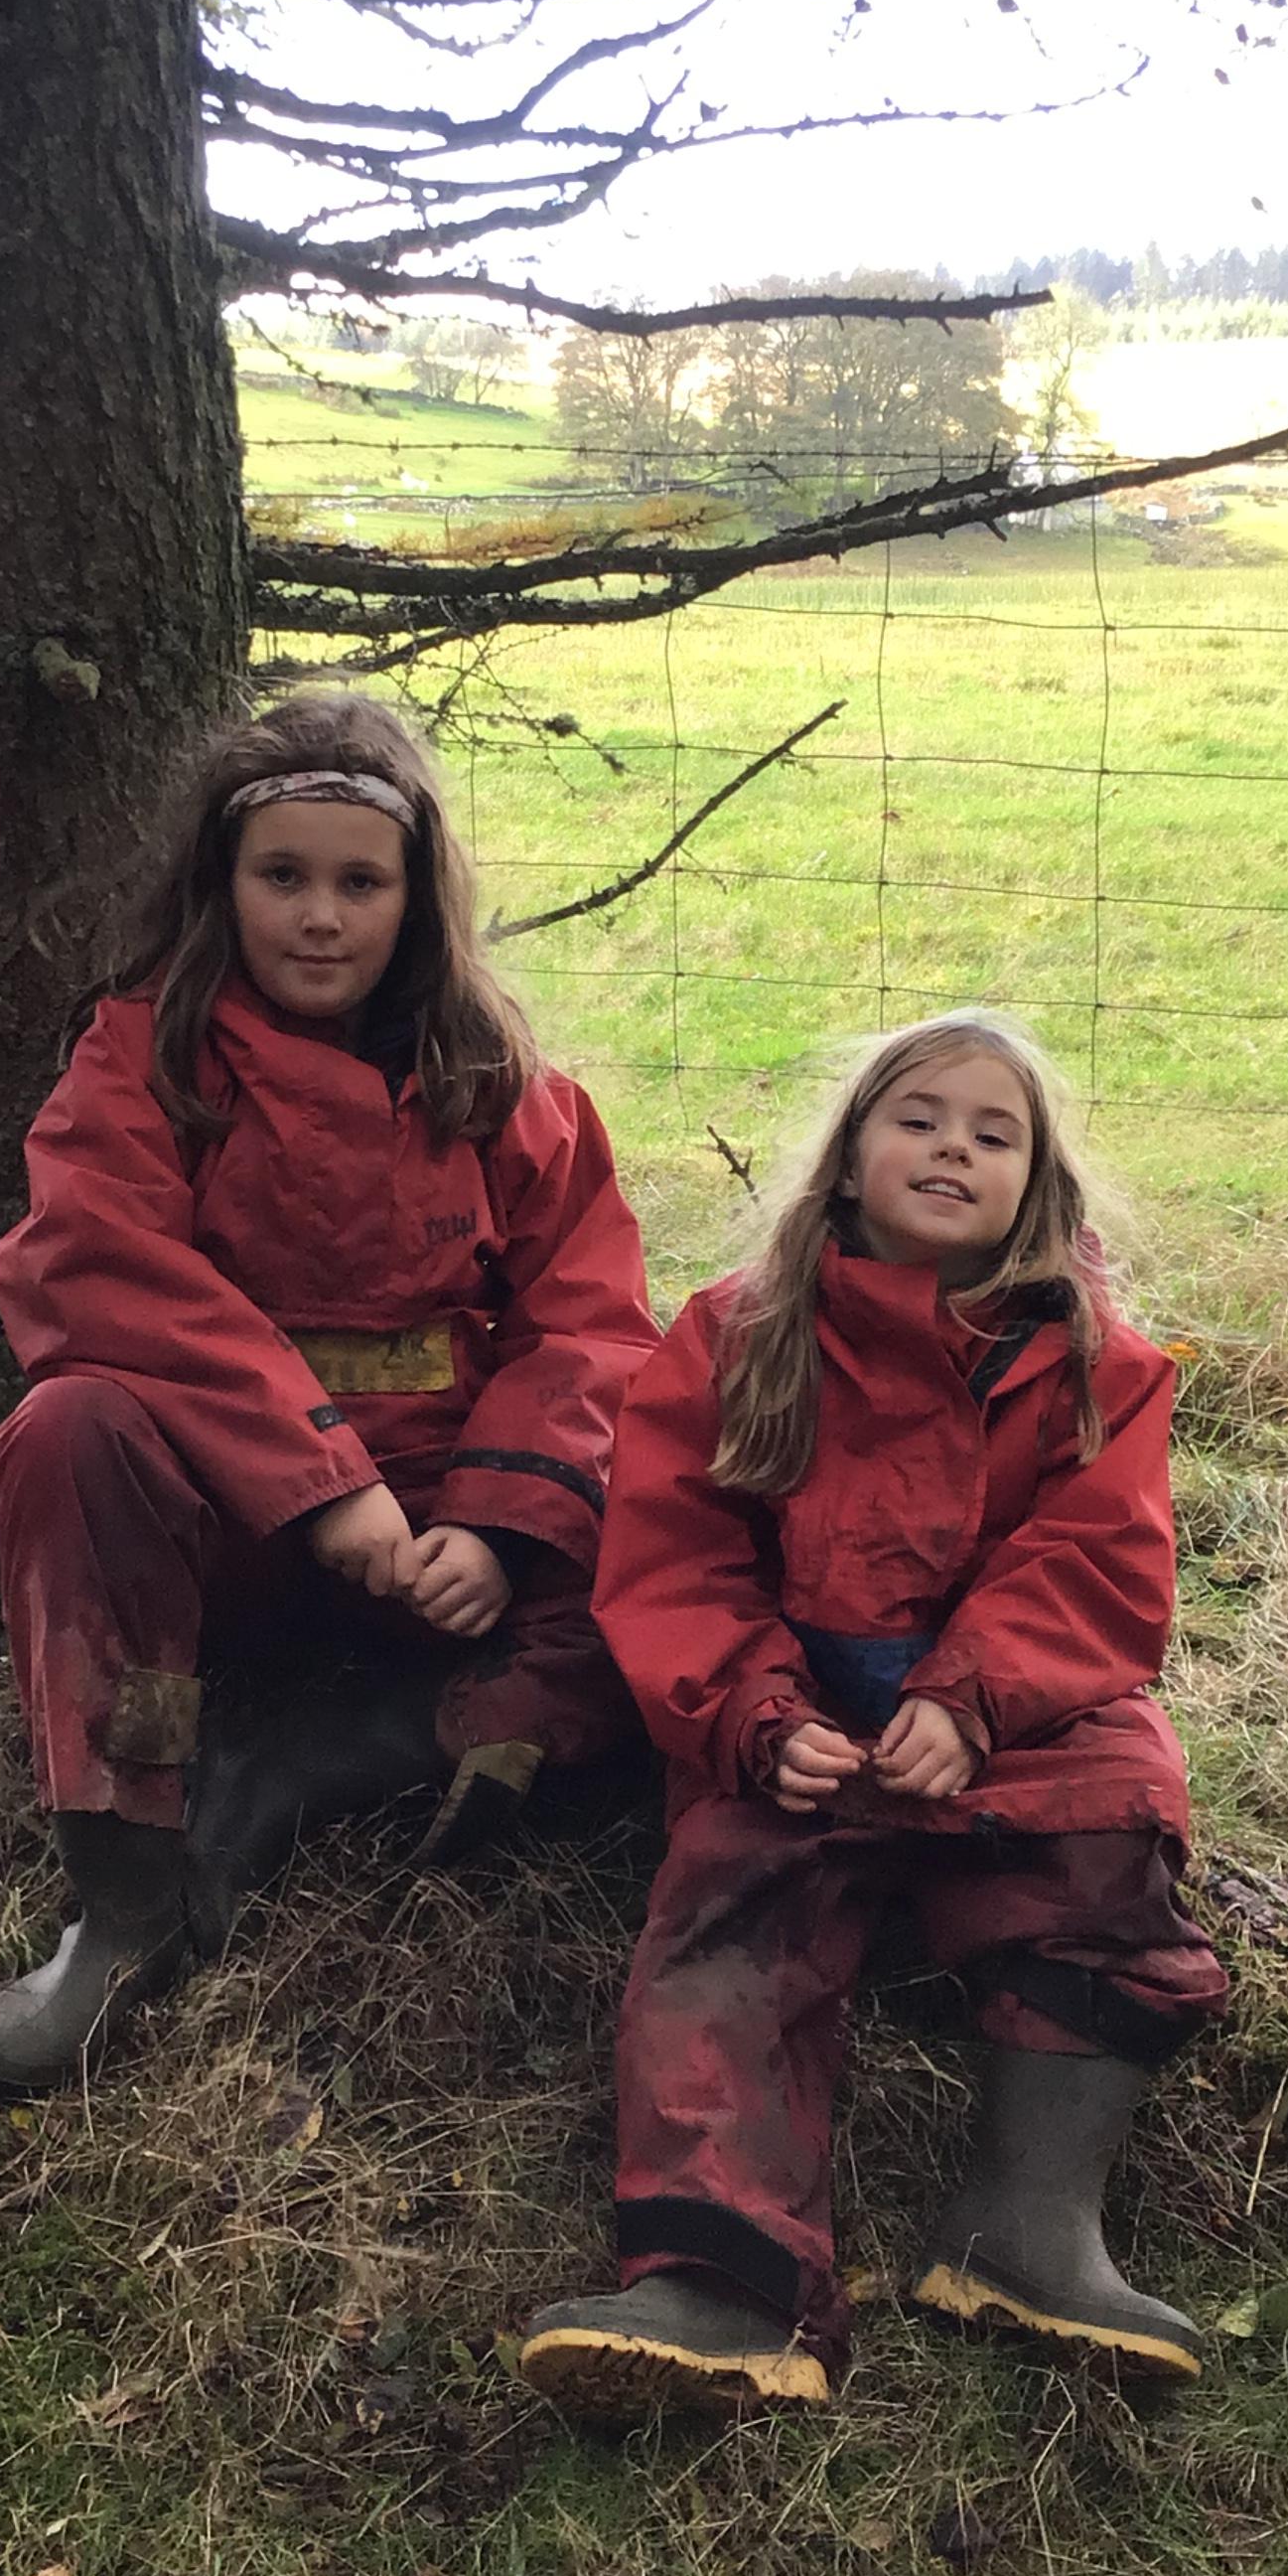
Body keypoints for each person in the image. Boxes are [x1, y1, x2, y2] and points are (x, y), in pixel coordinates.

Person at [518, 1011, 1226, 2420]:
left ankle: (1028, 2230)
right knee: (727, 1914)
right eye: (918, 1119)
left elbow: (1097, 1558)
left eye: (994, 1132)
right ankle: (724, 2282)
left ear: (1038, 1186)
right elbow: (673, 1558)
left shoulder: (1100, 1362)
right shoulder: (735, 1334)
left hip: (1011, 1727)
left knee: (1112, 1838)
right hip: (799, 1732)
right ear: (846, 1158)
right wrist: (755, 1713)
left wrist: (974, 1697)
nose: (953, 1147)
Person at [0, 687, 660, 2092]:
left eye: (361, 883)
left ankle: (310, 1766)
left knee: (679, 1548)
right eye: (282, 876)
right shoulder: (143, 1057)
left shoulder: (504, 1083)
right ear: (222, 882)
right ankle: (126, 1893)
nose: (321, 918)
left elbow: (591, 1324)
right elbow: (97, 1267)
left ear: (418, 897)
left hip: (445, 1540)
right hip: (239, 1523)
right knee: (67, 1431)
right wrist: (325, 1486)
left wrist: (497, 1525)